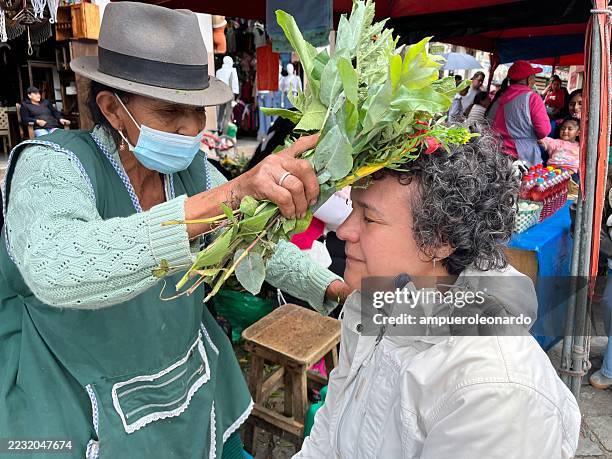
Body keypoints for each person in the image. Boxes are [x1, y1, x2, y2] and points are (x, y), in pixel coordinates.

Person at [0, 3, 349, 458]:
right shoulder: (52, 166)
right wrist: (224, 200)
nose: (190, 129)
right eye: (170, 112)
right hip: (72, 386)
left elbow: (254, 243)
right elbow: (56, 266)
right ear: (113, 109)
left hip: (179, 379)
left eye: (197, 111)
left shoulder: (193, 170)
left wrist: (331, 285)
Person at [295, 133, 581, 458]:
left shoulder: (494, 390)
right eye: (351, 208)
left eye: (369, 217)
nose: (343, 230)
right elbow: (328, 434)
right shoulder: (373, 305)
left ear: (439, 240)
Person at [490, 60, 550, 165]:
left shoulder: (500, 96)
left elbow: (488, 122)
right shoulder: (532, 97)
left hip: (496, 152)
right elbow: (543, 130)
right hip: (523, 155)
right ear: (529, 79)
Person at [215, 55, 240, 132]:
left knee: (220, 115)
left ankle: (218, 130)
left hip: (220, 95)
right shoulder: (232, 71)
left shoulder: (218, 71)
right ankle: (224, 135)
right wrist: (234, 98)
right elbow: (233, 85)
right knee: (227, 117)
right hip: (229, 95)